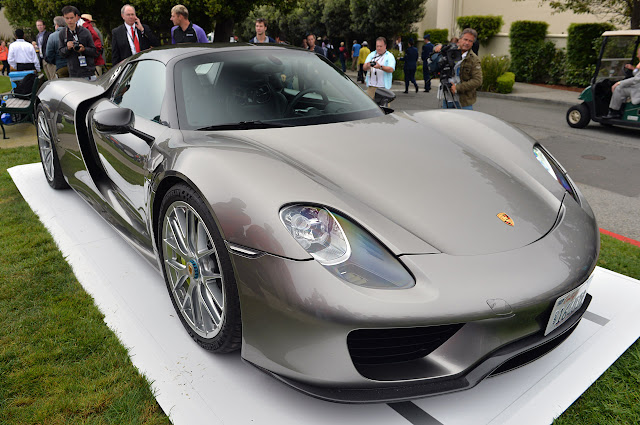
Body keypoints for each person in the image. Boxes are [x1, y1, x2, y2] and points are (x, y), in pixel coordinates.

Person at [434, 28, 482, 109]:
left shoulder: (474, 59)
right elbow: (436, 49)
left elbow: (477, 80)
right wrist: (437, 47)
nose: (467, 43)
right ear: (459, 40)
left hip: (464, 101)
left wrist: (457, 87)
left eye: (470, 41)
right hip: (447, 97)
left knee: (464, 122)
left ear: (473, 43)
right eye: (465, 39)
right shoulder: (449, 50)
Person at [58, 5, 97, 79]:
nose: (70, 20)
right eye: (67, 18)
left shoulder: (85, 31)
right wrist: (67, 48)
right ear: (63, 18)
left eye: (71, 18)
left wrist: (84, 49)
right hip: (74, 72)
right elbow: (61, 53)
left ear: (76, 17)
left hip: (88, 71)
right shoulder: (63, 33)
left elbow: (94, 51)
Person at [604, 47, 640, 119]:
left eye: (638, 53)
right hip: (637, 86)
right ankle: (621, 108)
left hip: (638, 89)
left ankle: (614, 112)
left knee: (619, 89)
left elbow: (636, 79)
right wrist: (633, 69)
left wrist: (619, 83)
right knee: (623, 87)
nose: (637, 55)